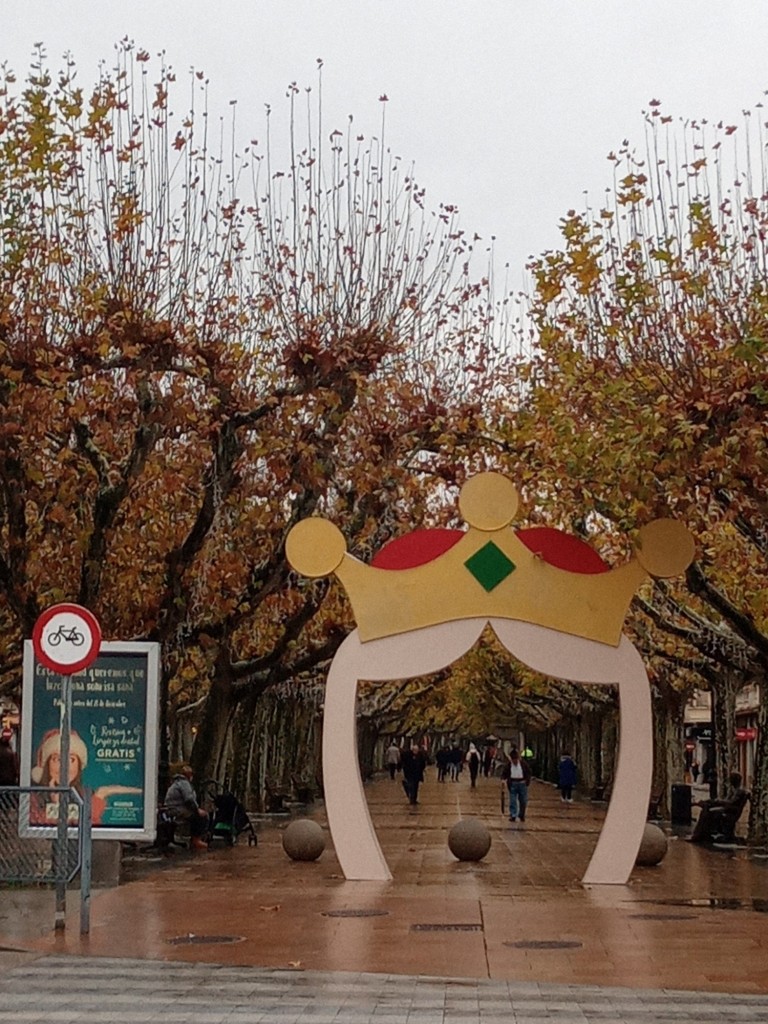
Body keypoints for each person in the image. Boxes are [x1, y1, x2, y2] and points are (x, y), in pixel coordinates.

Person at [29, 728, 141, 826]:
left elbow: (89, 830)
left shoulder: (85, 795)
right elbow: (41, 832)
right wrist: (57, 805)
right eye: (57, 759)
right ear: (47, 764)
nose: (64, 766)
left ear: (79, 766)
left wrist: (100, 795)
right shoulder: (34, 798)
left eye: (71, 759)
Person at [687, 771, 750, 844]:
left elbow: (730, 803)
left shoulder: (739, 792)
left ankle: (698, 834)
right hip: (727, 809)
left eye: (731, 779)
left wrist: (718, 802)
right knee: (707, 806)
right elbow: (728, 802)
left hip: (729, 812)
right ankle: (700, 833)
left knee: (708, 811)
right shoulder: (734, 791)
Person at [164, 764, 210, 850]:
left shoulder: (177, 782)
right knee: (201, 816)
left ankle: (194, 840)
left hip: (172, 808)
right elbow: (189, 799)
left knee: (196, 815)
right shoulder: (184, 783)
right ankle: (196, 840)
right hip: (176, 810)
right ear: (189, 775)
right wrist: (197, 809)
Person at [500, 747, 532, 822]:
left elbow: (528, 772)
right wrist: (503, 780)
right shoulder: (509, 765)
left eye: (516, 760)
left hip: (522, 783)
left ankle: (521, 814)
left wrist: (527, 781)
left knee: (523, 800)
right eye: (513, 760)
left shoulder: (523, 764)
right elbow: (504, 773)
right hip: (513, 783)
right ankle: (513, 814)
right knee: (513, 800)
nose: (515, 762)